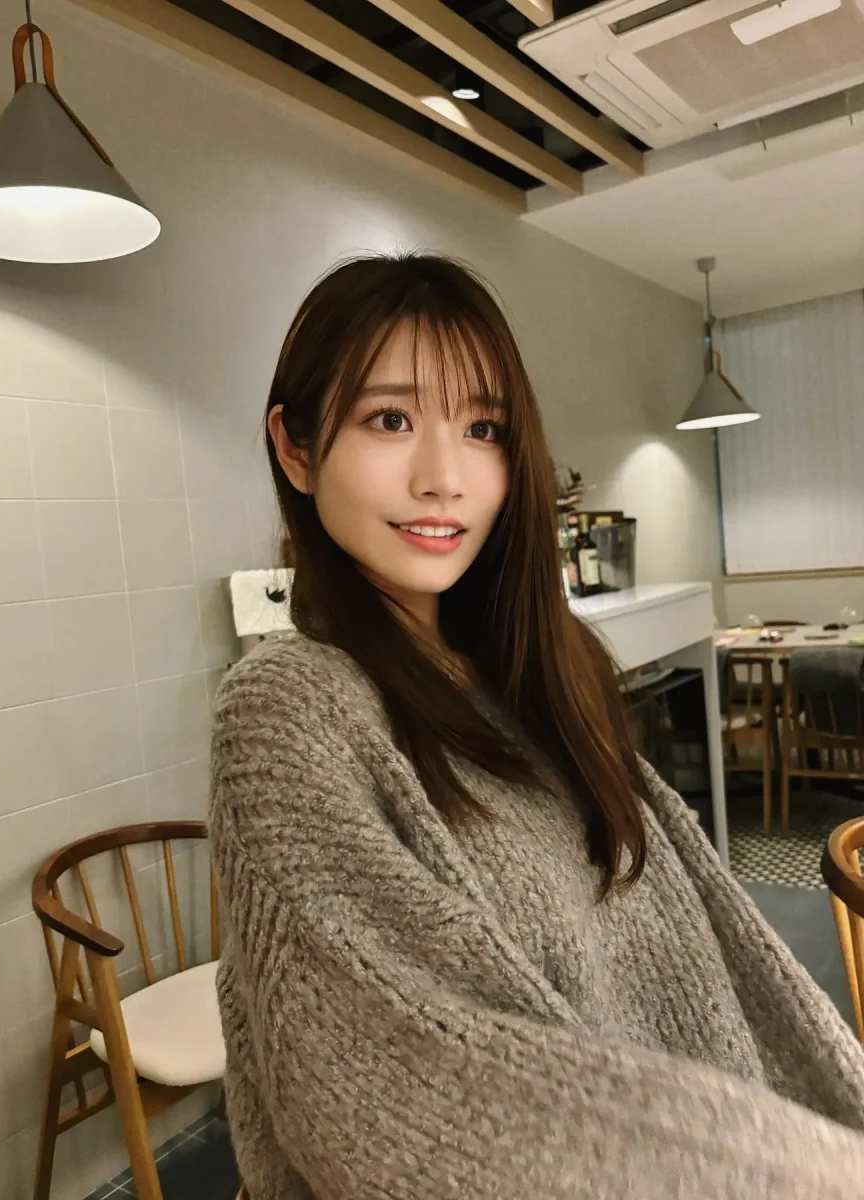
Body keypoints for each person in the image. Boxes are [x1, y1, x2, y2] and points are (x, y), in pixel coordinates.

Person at [207, 252, 864, 1199]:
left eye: (483, 429)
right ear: (296, 447)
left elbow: (720, 948)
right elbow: (394, 1083)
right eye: (390, 420)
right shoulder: (288, 709)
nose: (444, 478)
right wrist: (801, 1172)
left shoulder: (546, 676)